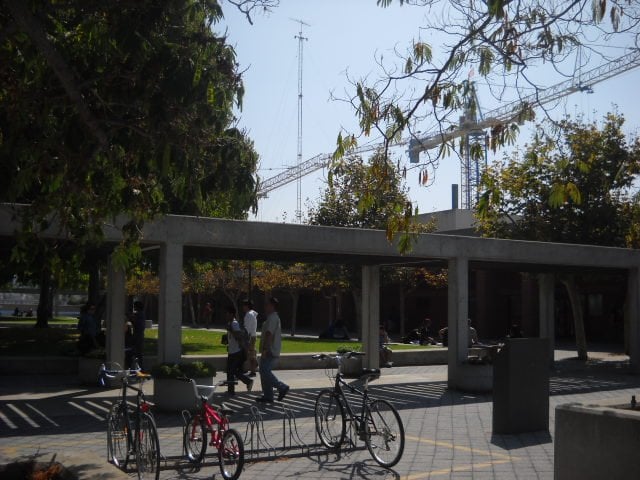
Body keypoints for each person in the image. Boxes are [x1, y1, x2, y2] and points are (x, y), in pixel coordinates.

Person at [255, 297, 289, 403]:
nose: (265, 306)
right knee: (263, 371)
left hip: (270, 349)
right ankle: (268, 396)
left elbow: (269, 334)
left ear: (272, 306)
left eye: (267, 304)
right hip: (269, 349)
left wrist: (265, 349)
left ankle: (281, 387)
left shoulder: (273, 318)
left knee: (264, 371)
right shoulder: (272, 317)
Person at [224, 305, 253, 395]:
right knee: (230, 372)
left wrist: (231, 330)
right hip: (232, 351)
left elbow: (238, 336)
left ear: (232, 314)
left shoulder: (234, 323)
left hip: (236, 352)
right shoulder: (231, 323)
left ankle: (248, 381)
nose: (226, 315)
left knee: (232, 371)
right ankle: (230, 390)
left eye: (227, 314)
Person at [241, 299, 258, 377]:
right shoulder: (252, 314)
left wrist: (245, 337)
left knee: (250, 354)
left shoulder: (248, 315)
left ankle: (253, 368)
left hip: (249, 336)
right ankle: (253, 369)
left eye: (244, 305)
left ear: (247, 306)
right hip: (253, 335)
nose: (243, 307)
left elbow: (247, 328)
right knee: (251, 353)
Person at [132, 300, 146, 369]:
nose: (134, 307)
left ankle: (140, 367)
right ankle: (139, 367)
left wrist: (131, 319)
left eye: (135, 306)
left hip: (138, 336)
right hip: (139, 335)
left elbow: (137, 325)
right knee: (138, 352)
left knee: (138, 352)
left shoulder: (139, 315)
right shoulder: (140, 314)